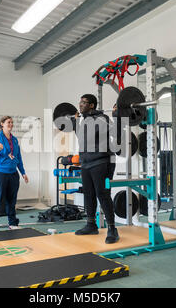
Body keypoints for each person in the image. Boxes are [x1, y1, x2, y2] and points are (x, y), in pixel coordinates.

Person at [72, 94, 119, 244]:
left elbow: (114, 134)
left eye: (84, 102)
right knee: (88, 195)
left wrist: (116, 116)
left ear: (92, 105)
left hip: (101, 162)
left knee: (103, 195)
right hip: (86, 163)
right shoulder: (85, 119)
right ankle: (91, 224)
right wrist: (76, 122)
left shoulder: (101, 118)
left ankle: (112, 229)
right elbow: (82, 138)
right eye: (80, 102)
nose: (80, 104)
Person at [0, 116, 29, 232]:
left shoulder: (14, 140)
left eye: (11, 122)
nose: (10, 124)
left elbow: (18, 158)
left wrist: (23, 173)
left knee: (12, 200)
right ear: (2, 124)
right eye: (8, 122)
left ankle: (12, 223)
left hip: (13, 173)